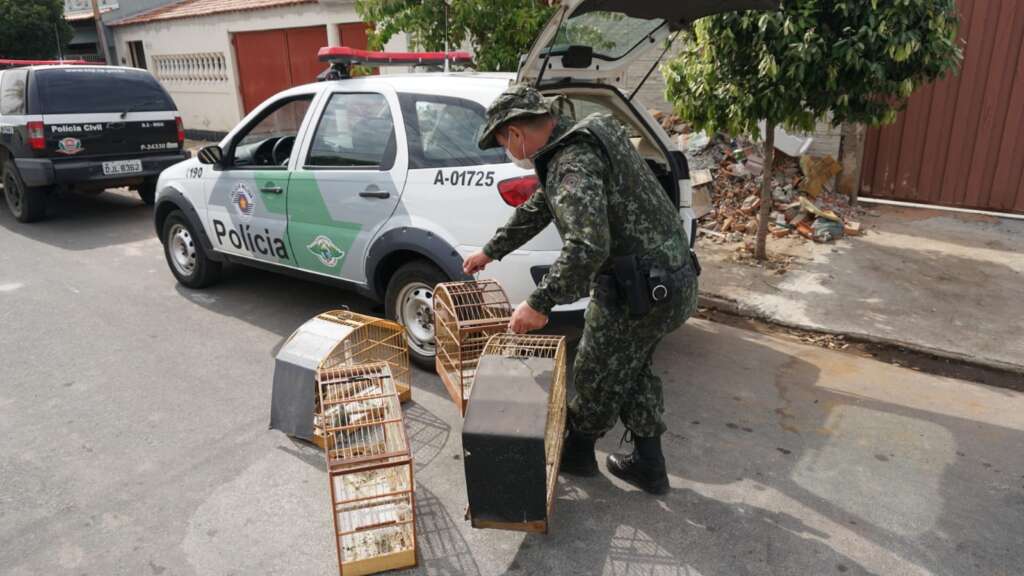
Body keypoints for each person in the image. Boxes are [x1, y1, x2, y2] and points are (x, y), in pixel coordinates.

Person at [464, 84, 699, 495]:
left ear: (516, 131)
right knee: (631, 365)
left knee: (593, 372)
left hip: (639, 292)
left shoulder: (572, 163)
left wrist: (540, 302)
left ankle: (576, 454)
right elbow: (543, 204)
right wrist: (491, 250)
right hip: (674, 280)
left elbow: (588, 246)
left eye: (502, 140)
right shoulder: (588, 133)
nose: (506, 149)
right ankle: (651, 466)